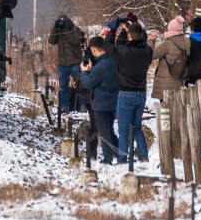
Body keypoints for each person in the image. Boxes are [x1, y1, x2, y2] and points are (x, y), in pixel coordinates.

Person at [105, 21, 153, 164]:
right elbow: (143, 42)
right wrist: (137, 29)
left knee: (123, 129)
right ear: (142, 34)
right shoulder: (148, 51)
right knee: (136, 126)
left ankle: (122, 158)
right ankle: (144, 156)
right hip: (141, 93)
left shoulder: (122, 51)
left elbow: (107, 46)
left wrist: (113, 29)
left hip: (126, 92)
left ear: (128, 36)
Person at [79, 36, 119, 164]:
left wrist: (84, 72)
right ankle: (121, 154)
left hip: (101, 103)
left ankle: (108, 158)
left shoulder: (100, 66)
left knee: (104, 132)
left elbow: (89, 83)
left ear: (93, 50)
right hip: (112, 101)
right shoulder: (112, 61)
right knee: (110, 130)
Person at [150, 16, 191, 101]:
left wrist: (152, 40)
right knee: (175, 111)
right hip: (179, 82)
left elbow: (151, 55)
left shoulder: (168, 44)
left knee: (165, 111)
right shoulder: (187, 43)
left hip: (165, 84)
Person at [48, 15, 83, 112]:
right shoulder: (58, 30)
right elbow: (51, 41)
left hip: (75, 62)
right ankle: (65, 107)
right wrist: (55, 28)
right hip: (62, 64)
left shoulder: (75, 29)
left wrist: (65, 29)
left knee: (80, 84)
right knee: (63, 87)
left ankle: (83, 106)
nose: (61, 24)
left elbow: (75, 41)